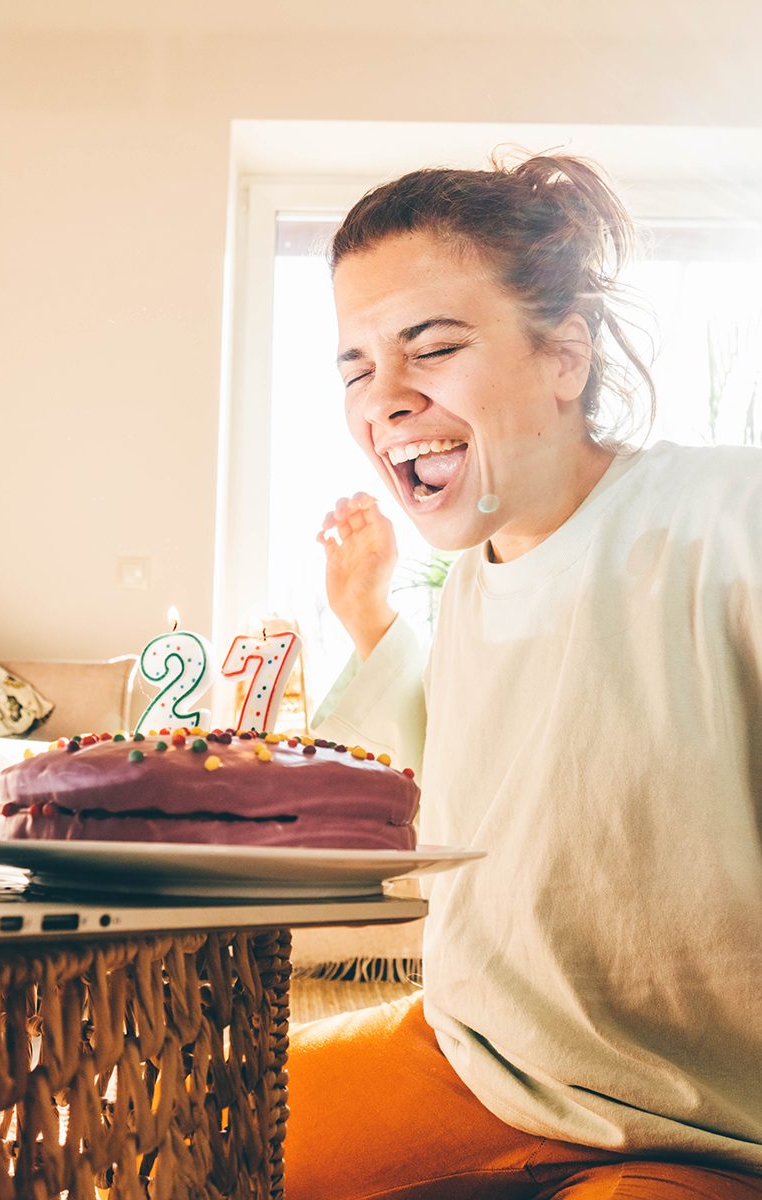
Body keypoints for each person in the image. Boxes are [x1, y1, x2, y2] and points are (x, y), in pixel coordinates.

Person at [286, 154, 762, 1199]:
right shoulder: (469, 582)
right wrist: (365, 618)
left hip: (697, 1122)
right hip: (469, 1054)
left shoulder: (724, 513)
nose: (388, 399)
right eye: (357, 368)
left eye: (434, 347)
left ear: (564, 358)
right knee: (170, 1136)